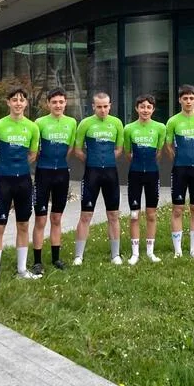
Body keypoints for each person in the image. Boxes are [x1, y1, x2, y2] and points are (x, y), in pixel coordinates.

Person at [0, 87, 41, 285]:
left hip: (24, 181)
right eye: (14, 100)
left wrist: (19, 167)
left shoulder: (32, 127)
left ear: (26, 103)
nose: (18, 103)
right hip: (3, 182)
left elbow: (32, 154)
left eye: (21, 100)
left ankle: (22, 269)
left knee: (23, 225)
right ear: (8, 102)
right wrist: (0, 169)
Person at [73, 92, 124, 265]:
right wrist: (92, 162)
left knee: (113, 214)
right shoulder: (85, 123)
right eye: (99, 107)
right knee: (86, 215)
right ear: (93, 106)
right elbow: (77, 150)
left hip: (110, 173)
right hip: (91, 174)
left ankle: (115, 255)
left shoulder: (117, 123)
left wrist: (106, 160)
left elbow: (119, 149)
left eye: (105, 106)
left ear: (110, 106)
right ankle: (78, 256)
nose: (103, 110)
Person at [31, 88, 77, 275]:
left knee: (57, 218)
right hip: (43, 173)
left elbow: (70, 148)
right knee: (40, 219)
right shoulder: (39, 123)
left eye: (61, 102)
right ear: (48, 104)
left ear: (66, 103)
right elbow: (35, 150)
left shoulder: (72, 122)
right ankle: (37, 261)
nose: (58, 105)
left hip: (62, 174)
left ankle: (56, 258)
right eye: (54, 102)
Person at [165, 84, 194, 260]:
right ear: (180, 100)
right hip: (179, 170)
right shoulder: (173, 121)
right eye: (185, 98)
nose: (188, 101)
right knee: (177, 209)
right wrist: (177, 159)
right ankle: (178, 251)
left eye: (191, 98)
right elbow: (168, 145)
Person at [123, 94, 167, 265]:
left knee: (151, 214)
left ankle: (150, 252)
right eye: (142, 107)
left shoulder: (160, 128)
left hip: (152, 174)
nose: (145, 110)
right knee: (134, 215)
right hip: (135, 174)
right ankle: (134, 253)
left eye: (149, 107)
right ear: (136, 108)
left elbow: (159, 152)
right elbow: (128, 153)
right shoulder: (128, 128)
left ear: (153, 109)